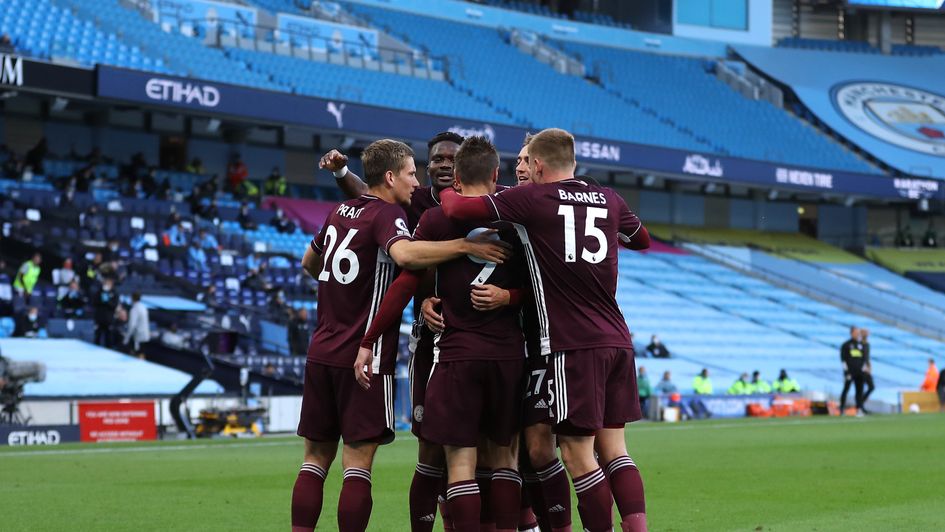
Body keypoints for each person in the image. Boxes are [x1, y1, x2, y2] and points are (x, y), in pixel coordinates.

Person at [290, 139, 510, 532]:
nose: (415, 181)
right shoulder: (388, 215)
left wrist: (345, 290)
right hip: (365, 355)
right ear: (390, 177)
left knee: (314, 461)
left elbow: (310, 262)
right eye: (411, 173)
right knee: (357, 465)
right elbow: (406, 256)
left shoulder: (337, 211)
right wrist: (462, 245)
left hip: (321, 348)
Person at [438, 129, 651, 532]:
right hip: (617, 338)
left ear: (537, 165)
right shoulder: (608, 197)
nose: (521, 168)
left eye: (525, 162)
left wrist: (450, 188)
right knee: (613, 451)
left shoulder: (530, 199)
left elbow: (459, 212)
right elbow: (640, 239)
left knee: (575, 452)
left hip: (571, 343)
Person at [353, 137, 527, 532]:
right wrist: (509, 296)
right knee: (505, 458)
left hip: (454, 355)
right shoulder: (518, 215)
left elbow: (402, 284)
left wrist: (368, 340)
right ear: (497, 174)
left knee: (454, 462)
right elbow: (540, 287)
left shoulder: (435, 218)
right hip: (508, 356)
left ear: (456, 179)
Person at [320, 131, 473, 531]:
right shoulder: (416, 203)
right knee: (431, 448)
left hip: (484, 335)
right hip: (431, 338)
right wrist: (424, 296)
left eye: (450, 159)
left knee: (496, 451)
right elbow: (373, 198)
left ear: (466, 166)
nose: (441, 164)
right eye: (435, 158)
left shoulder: (490, 200)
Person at [839, 326, 868, 416]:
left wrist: (863, 369)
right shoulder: (846, 345)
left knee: (859, 391)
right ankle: (842, 408)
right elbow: (843, 360)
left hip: (859, 372)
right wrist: (846, 371)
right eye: (856, 332)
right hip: (850, 372)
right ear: (851, 333)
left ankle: (859, 408)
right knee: (846, 389)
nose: (857, 334)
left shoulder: (861, 345)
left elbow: (864, 358)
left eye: (858, 332)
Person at [93, 278, 119, 348]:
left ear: (111, 284)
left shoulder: (114, 293)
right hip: (99, 319)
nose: (106, 284)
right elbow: (94, 303)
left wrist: (107, 301)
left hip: (109, 320)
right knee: (97, 337)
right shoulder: (99, 292)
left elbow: (114, 305)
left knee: (109, 338)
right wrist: (102, 298)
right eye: (105, 283)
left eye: (108, 283)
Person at [124, 292, 150, 356]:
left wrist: (127, 338)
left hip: (138, 335)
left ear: (132, 298)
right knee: (141, 353)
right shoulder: (143, 307)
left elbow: (132, 325)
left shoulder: (134, 309)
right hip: (144, 335)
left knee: (135, 354)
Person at [860, 328, 875, 404]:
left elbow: (867, 357)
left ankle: (860, 404)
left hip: (866, 368)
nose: (867, 334)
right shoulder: (859, 344)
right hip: (861, 369)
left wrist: (869, 366)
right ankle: (859, 405)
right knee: (862, 388)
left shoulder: (867, 344)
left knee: (871, 387)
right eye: (865, 332)